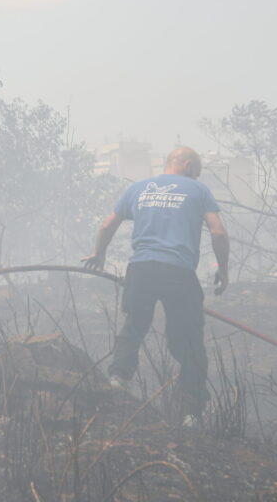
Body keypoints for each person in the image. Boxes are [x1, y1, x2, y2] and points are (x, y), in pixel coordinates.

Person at [82, 146, 230, 423]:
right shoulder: (198, 190)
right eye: (196, 172)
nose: (196, 178)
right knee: (190, 341)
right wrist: (223, 269)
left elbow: (107, 225)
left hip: (141, 269)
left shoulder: (137, 188)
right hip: (179, 271)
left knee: (134, 325)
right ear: (187, 164)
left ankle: (118, 378)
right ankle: (192, 412)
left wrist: (99, 254)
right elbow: (218, 232)